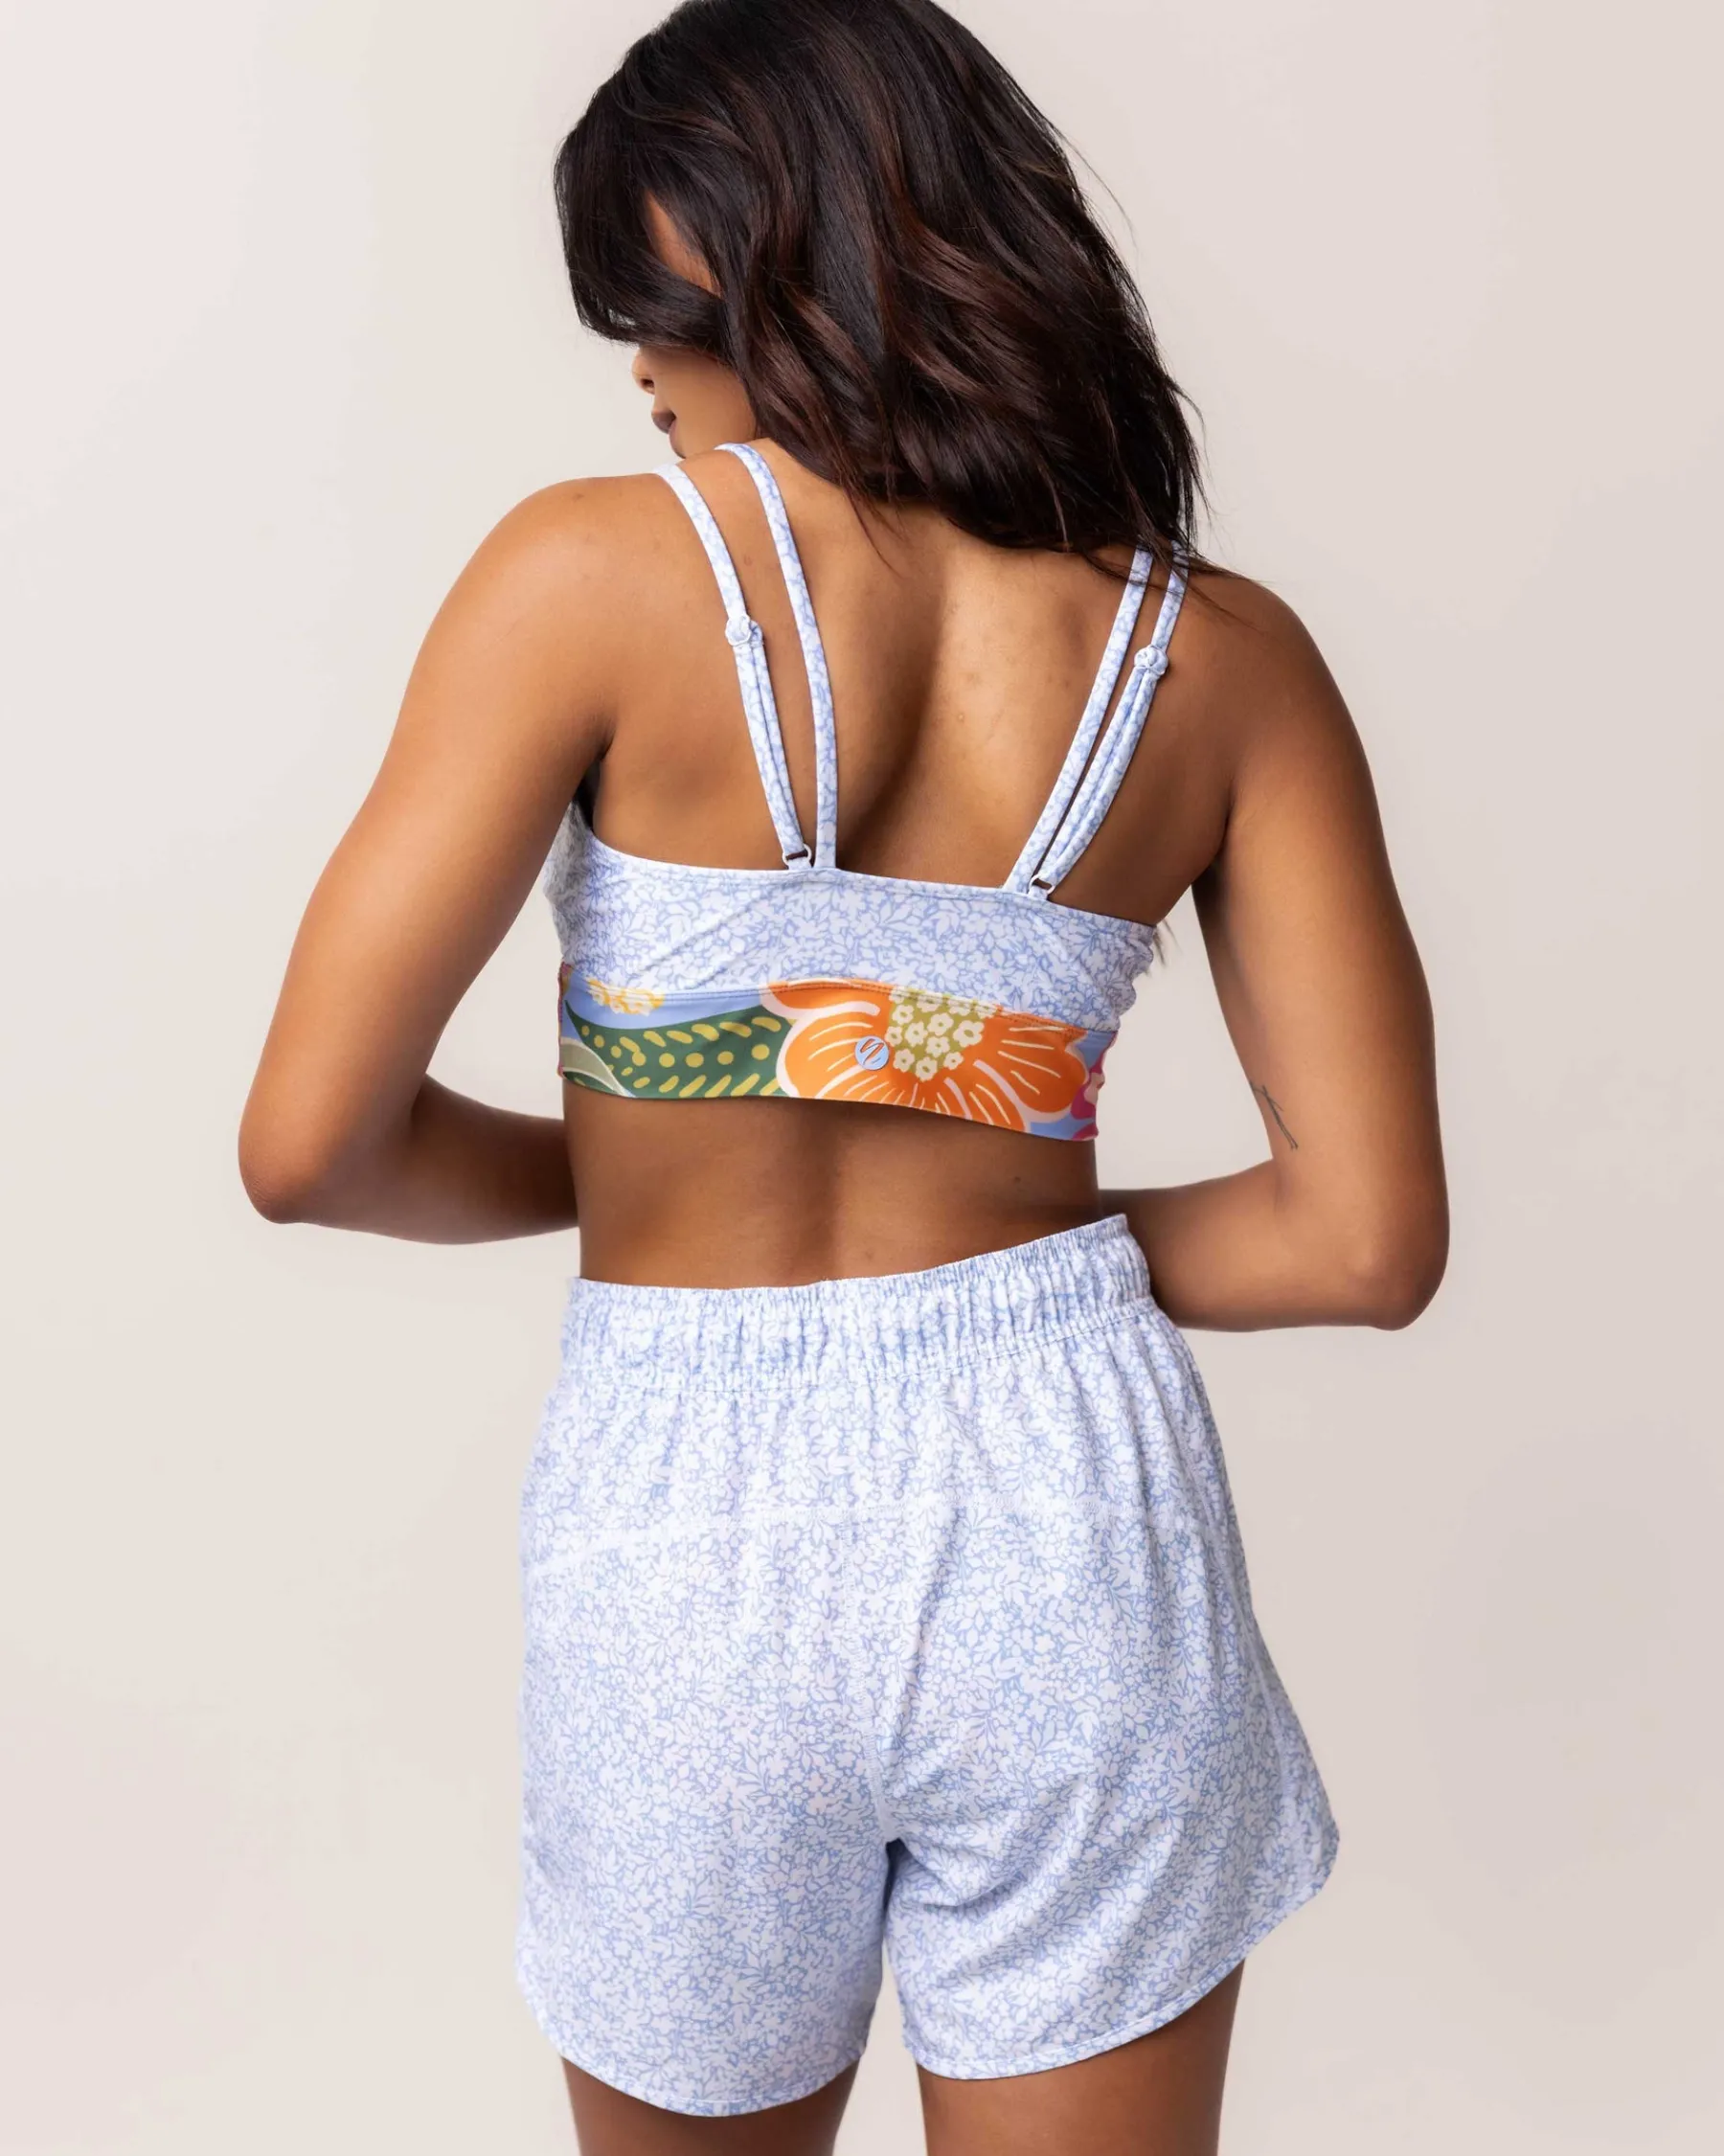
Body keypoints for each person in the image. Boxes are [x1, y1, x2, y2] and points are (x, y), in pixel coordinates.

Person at [239, 1, 1447, 2148]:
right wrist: (1003, 1230)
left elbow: (310, 1144)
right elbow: (1363, 1243)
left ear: (774, 253)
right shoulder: (1223, 659)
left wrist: (651, 1155)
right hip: (1076, 1518)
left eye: (649, 302)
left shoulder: (585, 575)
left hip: (687, 1535)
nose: (636, 363)